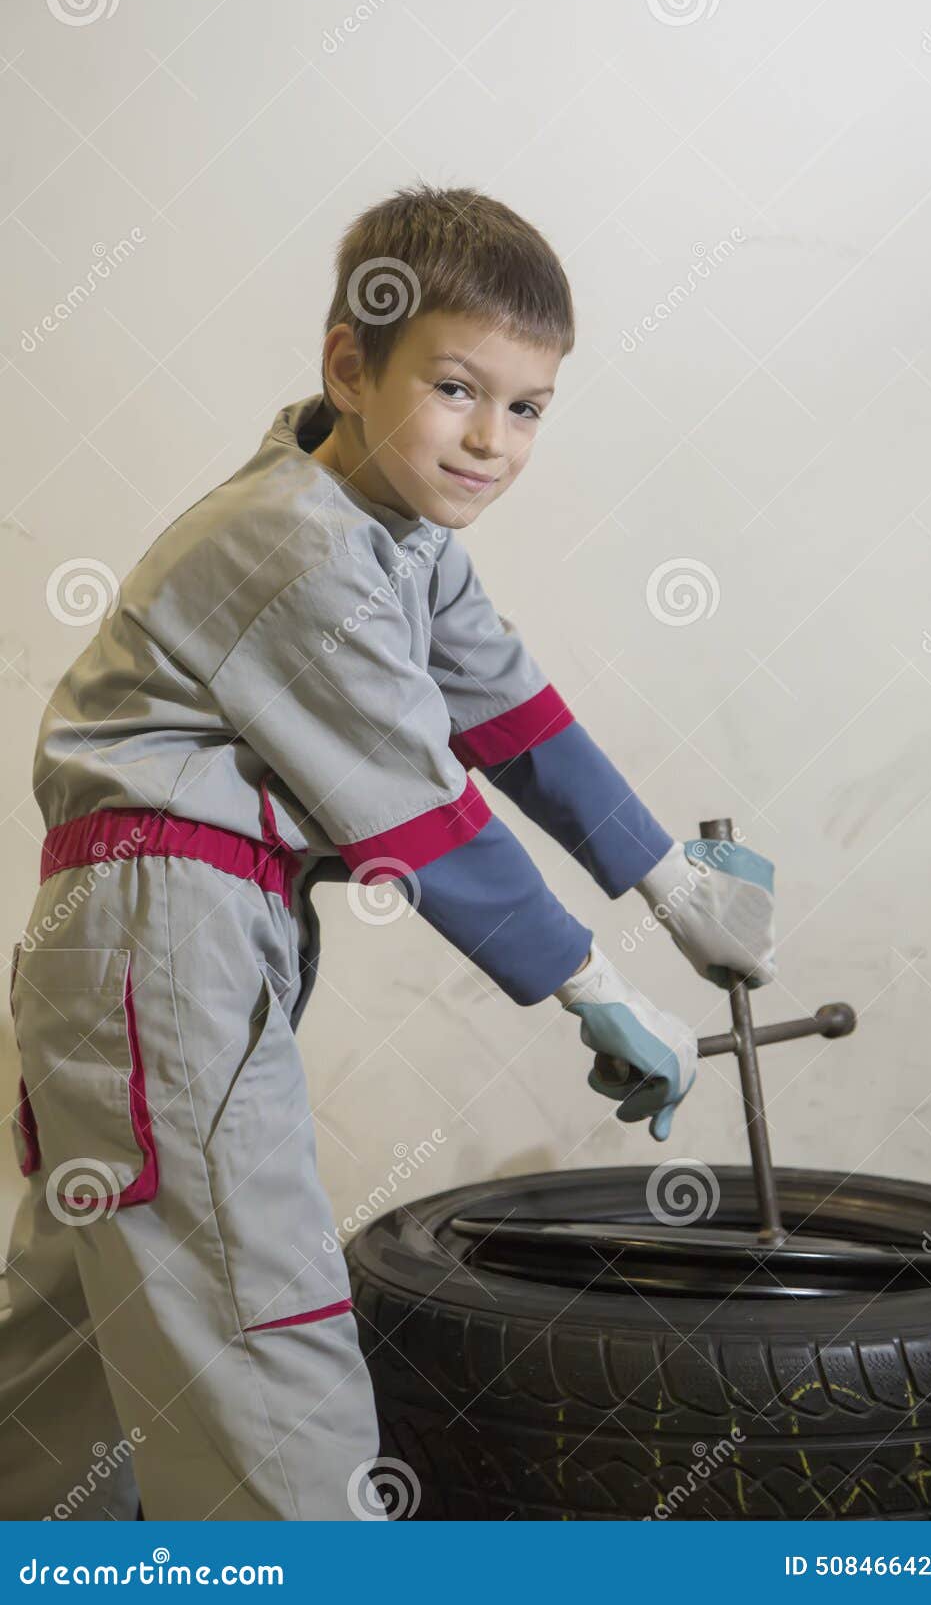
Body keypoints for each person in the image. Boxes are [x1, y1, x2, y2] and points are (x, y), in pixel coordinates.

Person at [0, 184, 775, 1520]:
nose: (491, 440)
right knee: (263, 1335)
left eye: (527, 407)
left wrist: (671, 877)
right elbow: (420, 815)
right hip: (161, 939)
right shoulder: (295, 551)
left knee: (78, 1349)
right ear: (349, 366)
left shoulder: (396, 536)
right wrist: (594, 983)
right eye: (457, 390)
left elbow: (514, 717)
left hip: (153, 949)